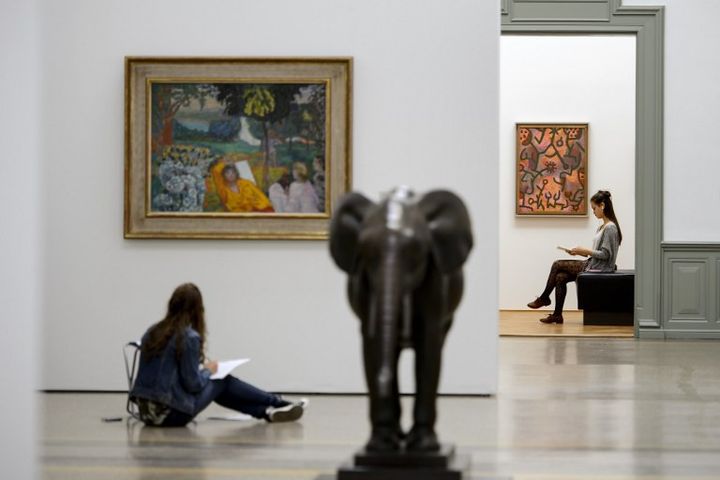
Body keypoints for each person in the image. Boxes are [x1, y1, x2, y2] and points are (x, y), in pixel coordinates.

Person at [130, 283, 305, 427]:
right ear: (197, 310)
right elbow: (193, 385)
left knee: (220, 387)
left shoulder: (152, 331)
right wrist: (208, 370)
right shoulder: (188, 337)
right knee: (222, 380)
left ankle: (267, 412)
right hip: (171, 414)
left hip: (145, 413)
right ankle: (278, 402)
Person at [527, 190, 623, 324]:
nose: (593, 211)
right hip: (594, 264)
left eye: (594, 208)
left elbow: (605, 255)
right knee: (560, 278)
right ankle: (557, 315)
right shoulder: (602, 227)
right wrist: (578, 252)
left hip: (600, 268)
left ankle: (544, 298)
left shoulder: (610, 228)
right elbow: (596, 252)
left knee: (557, 264)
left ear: (602, 205)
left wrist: (585, 250)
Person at [209, 159, 274, 213]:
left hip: (256, 209)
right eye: (227, 173)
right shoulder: (224, 189)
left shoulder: (246, 183)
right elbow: (216, 171)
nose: (231, 175)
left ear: (236, 173)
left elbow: (260, 196)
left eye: (233, 172)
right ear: (224, 176)